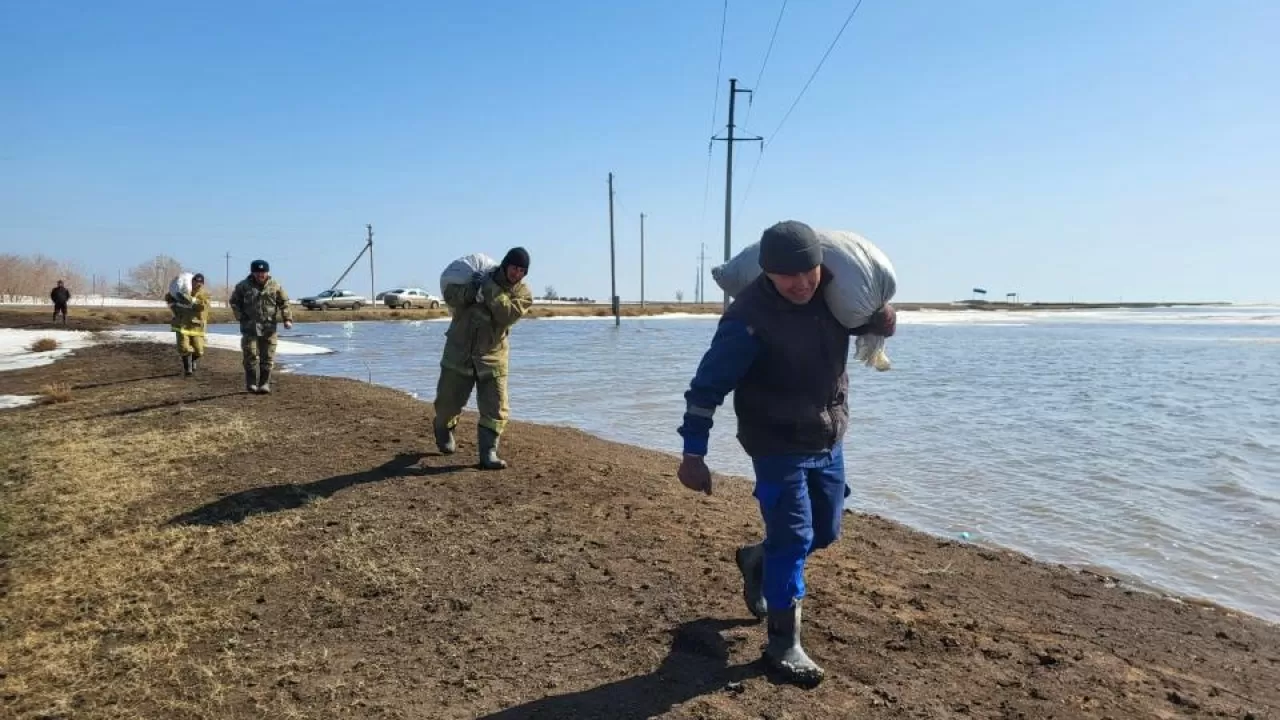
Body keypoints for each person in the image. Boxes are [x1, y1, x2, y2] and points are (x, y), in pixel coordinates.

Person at [675, 220, 896, 687]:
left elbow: (865, 321)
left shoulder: (834, 296)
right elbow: (707, 386)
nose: (802, 284)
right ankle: (782, 644)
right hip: (775, 442)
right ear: (767, 273)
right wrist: (693, 453)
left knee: (825, 531)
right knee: (794, 538)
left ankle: (757, 558)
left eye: (809, 272)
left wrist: (882, 320)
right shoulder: (747, 319)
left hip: (827, 438)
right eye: (788, 275)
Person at [433, 247, 533, 470]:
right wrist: (472, 289)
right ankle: (443, 427)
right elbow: (451, 297)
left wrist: (487, 287)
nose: (517, 274)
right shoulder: (474, 277)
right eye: (515, 268)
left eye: (522, 271)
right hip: (459, 353)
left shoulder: (523, 293)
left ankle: (488, 452)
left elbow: (506, 314)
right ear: (506, 265)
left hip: (493, 358)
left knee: (496, 408)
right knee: (446, 404)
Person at [229, 259, 293, 394]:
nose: (260, 275)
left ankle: (264, 383)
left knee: (267, 356)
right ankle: (251, 383)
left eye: (263, 272)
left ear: (267, 273)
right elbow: (234, 302)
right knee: (250, 354)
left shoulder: (275, 286)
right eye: (257, 272)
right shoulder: (243, 286)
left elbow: (284, 303)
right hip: (249, 327)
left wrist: (287, 319)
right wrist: (240, 316)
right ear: (252, 273)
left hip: (269, 327)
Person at [164, 273, 212, 377]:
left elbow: (202, 306)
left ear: (202, 283)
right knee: (184, 348)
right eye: (195, 281)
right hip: (181, 324)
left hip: (197, 326)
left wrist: (189, 299)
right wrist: (174, 303)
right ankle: (187, 368)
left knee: (199, 351)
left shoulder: (205, 294)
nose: (197, 284)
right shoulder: (181, 291)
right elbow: (169, 298)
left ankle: (193, 360)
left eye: (199, 282)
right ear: (191, 281)